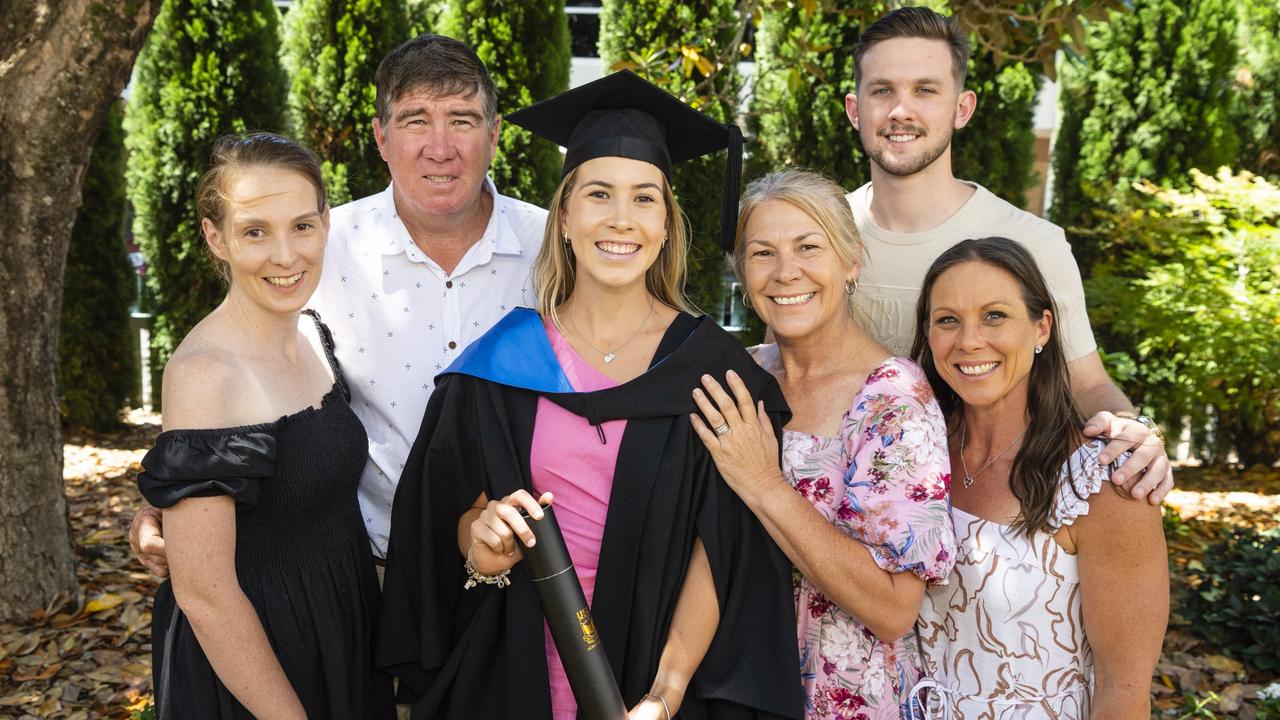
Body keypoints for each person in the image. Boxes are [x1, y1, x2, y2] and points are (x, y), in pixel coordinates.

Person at [377, 71, 804, 720]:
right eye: (599, 193)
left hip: (653, 692)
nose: (621, 220)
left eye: (644, 199)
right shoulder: (498, 367)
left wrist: (664, 693)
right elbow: (443, 521)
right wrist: (479, 540)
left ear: (666, 224)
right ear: (566, 216)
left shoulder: (714, 374)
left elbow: (725, 549)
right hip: (507, 679)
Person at [130, 34, 547, 574]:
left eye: (463, 120)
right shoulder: (316, 247)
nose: (440, 147)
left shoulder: (556, 247)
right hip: (366, 575)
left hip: (525, 571)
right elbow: (237, 366)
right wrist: (169, 495)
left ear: (493, 136)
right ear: (380, 136)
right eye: (416, 120)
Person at [843, 7, 1173, 503]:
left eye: (926, 90)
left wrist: (1138, 433)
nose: (900, 111)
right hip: (841, 522)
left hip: (985, 518)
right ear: (854, 109)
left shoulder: (1031, 242)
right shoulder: (821, 237)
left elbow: (1087, 386)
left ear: (963, 108)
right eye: (882, 90)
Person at [135, 133, 394, 719]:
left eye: (301, 225)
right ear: (215, 237)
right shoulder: (206, 375)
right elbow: (205, 594)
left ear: (326, 224)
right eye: (255, 231)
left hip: (339, 630)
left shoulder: (316, 336)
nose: (285, 254)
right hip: (256, 665)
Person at [687, 169, 955, 719]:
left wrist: (766, 484)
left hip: (841, 698)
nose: (787, 273)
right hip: (734, 688)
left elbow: (893, 607)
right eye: (763, 253)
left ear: (850, 261)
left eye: (809, 247)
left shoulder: (893, 399)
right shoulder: (742, 378)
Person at [908, 237, 1168, 718]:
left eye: (994, 316)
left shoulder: (1102, 480)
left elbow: (1124, 689)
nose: (969, 341)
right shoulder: (914, 452)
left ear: (1041, 328)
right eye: (948, 320)